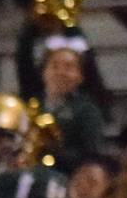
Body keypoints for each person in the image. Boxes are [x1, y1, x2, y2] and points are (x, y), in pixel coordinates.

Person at [39, 40, 107, 172]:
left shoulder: (87, 111)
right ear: (44, 72)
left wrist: (51, 150)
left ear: (80, 76)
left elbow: (91, 156)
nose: (60, 72)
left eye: (68, 67)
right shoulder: (32, 106)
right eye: (54, 66)